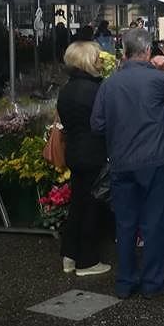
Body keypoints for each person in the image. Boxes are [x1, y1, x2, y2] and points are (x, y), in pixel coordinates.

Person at [90, 28, 164, 299]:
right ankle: (153, 282)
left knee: (125, 224)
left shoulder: (109, 83)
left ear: (123, 51)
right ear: (148, 51)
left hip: (121, 161)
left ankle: (125, 282)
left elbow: (97, 124)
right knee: (154, 223)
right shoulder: (155, 79)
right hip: (154, 160)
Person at [57, 41, 110, 277]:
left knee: (77, 204)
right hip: (93, 152)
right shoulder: (95, 90)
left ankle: (69, 254)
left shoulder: (66, 88)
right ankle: (87, 261)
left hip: (75, 151)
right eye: (97, 56)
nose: (100, 60)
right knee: (91, 205)